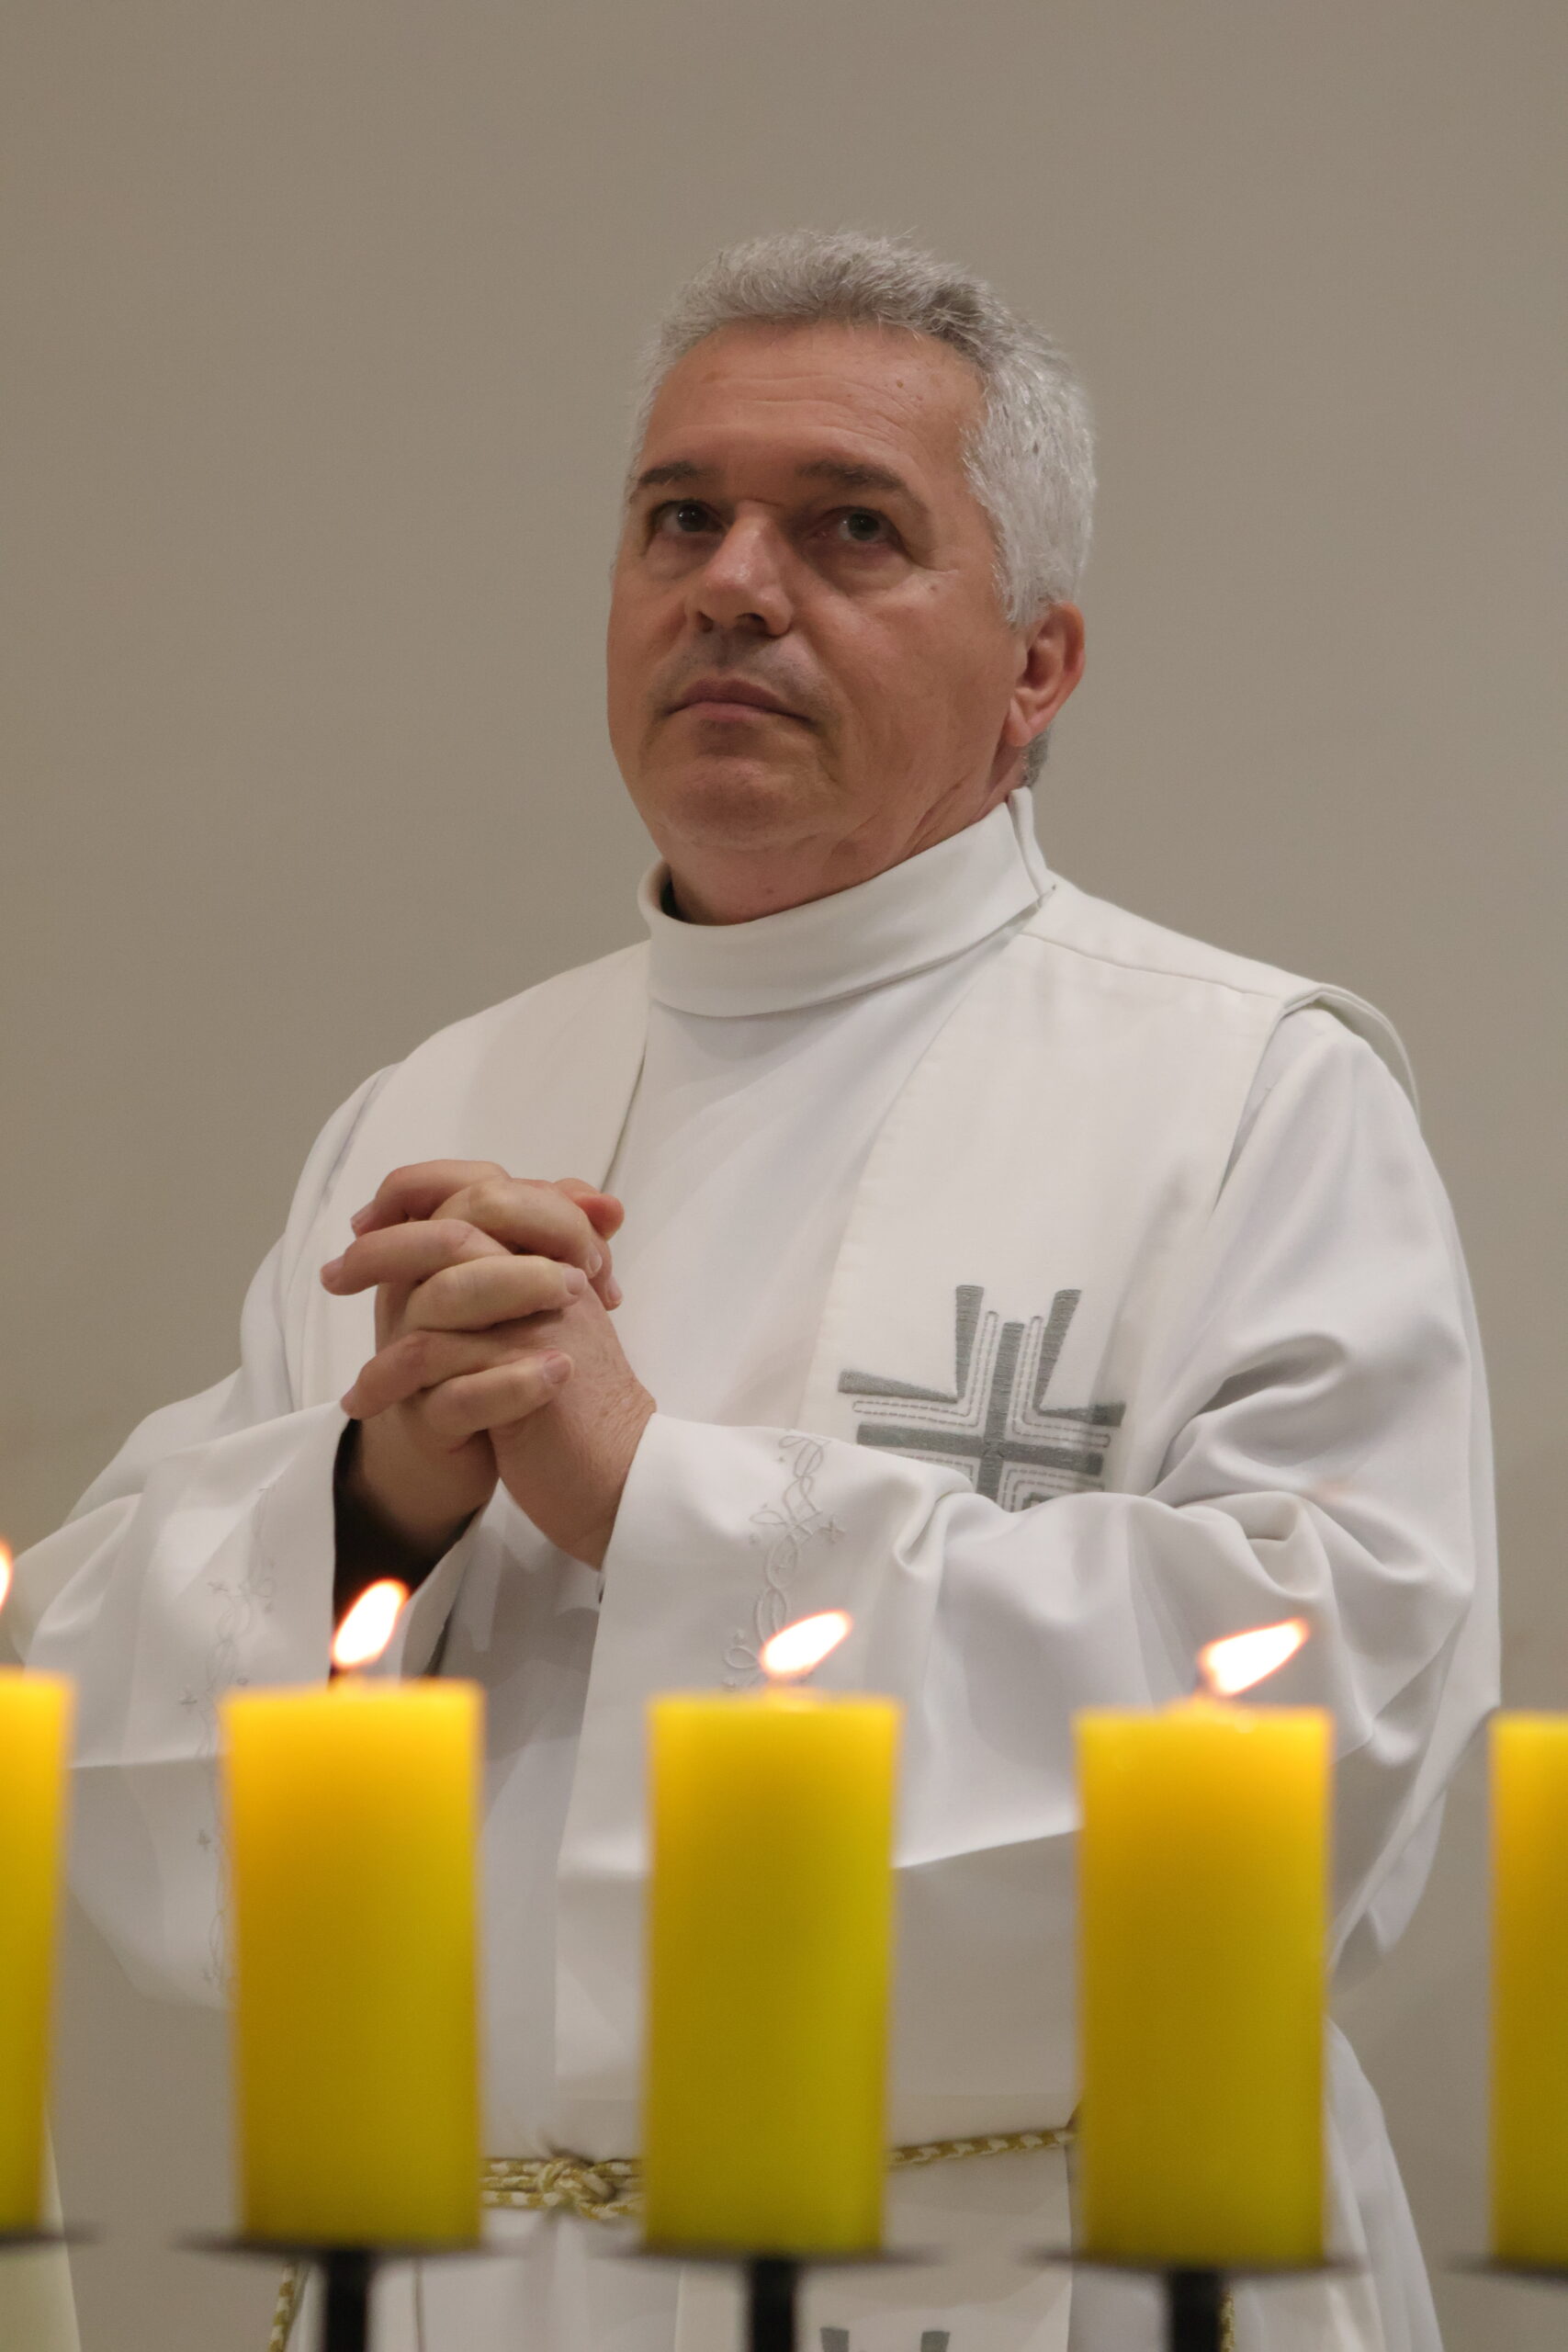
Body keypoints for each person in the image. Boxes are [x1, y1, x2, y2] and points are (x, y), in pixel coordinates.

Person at [13, 230, 1496, 2352]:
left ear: (1037, 665)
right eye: (676, 516)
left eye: (847, 526)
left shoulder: (1247, 1092)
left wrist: (659, 1497)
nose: (730, 584)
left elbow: (1333, 1715)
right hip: (471, 2273)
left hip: (1043, 2265)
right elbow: (105, 1723)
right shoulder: (431, 1106)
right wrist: (374, 1501)